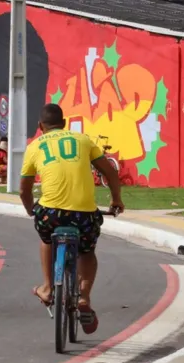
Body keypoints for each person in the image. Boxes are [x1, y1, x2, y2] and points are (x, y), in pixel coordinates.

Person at [20, 104, 124, 335]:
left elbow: (24, 190)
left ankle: (47, 288)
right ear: (64, 123)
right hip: (84, 215)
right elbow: (110, 172)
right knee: (86, 252)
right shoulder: (83, 140)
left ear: (40, 127)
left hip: (50, 214)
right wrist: (116, 199)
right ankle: (84, 296)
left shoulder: (34, 146)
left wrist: (31, 210)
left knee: (47, 239)